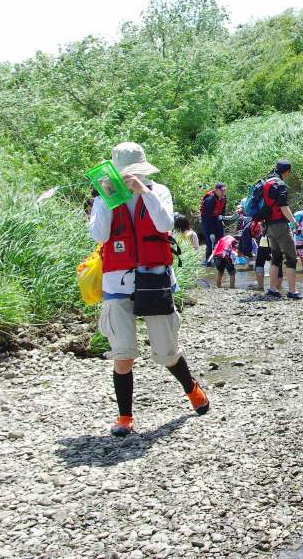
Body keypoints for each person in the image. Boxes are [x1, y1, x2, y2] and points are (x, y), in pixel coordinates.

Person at [89, 142, 209, 436]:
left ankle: (192, 388)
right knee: (123, 352)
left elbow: (165, 224)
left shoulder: (159, 191)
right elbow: (99, 234)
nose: (129, 179)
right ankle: (124, 417)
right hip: (116, 283)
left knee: (166, 352)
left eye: (134, 174)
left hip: (154, 279)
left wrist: (145, 192)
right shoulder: (102, 198)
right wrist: (107, 197)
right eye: (124, 175)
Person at [260, 160, 303, 299]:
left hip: (268, 226)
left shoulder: (266, 182)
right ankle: (292, 291)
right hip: (280, 225)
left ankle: (272, 288)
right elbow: (284, 207)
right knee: (291, 257)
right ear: (285, 172)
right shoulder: (280, 184)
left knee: (276, 257)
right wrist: (294, 223)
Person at [200, 182, 228, 264]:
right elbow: (208, 217)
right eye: (221, 191)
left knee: (221, 240)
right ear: (216, 190)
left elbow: (223, 210)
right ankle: (208, 261)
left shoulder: (223, 197)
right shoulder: (210, 200)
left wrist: (222, 218)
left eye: (224, 191)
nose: (223, 193)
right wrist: (211, 232)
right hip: (208, 220)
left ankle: (219, 260)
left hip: (217, 218)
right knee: (210, 242)